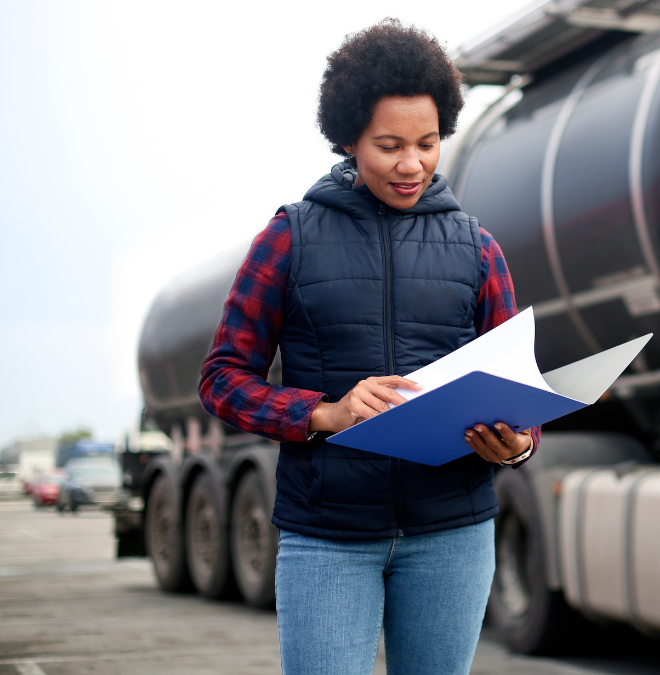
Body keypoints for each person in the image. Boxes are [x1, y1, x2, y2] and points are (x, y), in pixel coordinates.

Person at [198, 18, 538, 675]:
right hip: (328, 535)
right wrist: (325, 413)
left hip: (453, 535)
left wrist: (518, 443)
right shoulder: (290, 237)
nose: (411, 164)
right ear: (349, 137)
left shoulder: (478, 247)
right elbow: (222, 378)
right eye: (389, 145)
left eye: (428, 142)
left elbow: (515, 390)